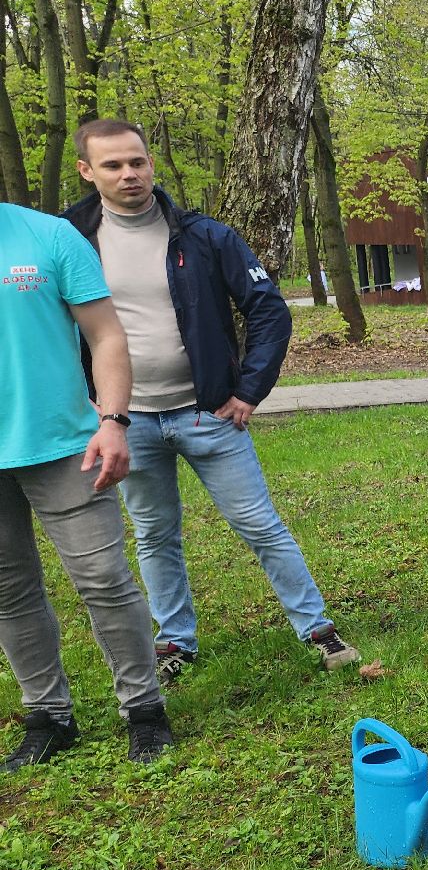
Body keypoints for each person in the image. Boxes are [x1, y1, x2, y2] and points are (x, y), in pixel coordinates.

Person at [61, 119, 358, 681]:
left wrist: (248, 389)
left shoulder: (204, 236)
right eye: (113, 165)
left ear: (151, 163)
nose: (129, 174)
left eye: (137, 162)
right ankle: (175, 642)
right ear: (86, 171)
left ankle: (317, 629)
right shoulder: (69, 239)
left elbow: (268, 309)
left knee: (260, 525)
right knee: (154, 534)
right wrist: (93, 409)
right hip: (126, 421)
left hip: (208, 414)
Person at [2, 201, 172, 771]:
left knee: (104, 579)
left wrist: (114, 420)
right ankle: (48, 716)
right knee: (9, 592)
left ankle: (144, 710)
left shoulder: (46, 235)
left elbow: (106, 336)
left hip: (65, 446)